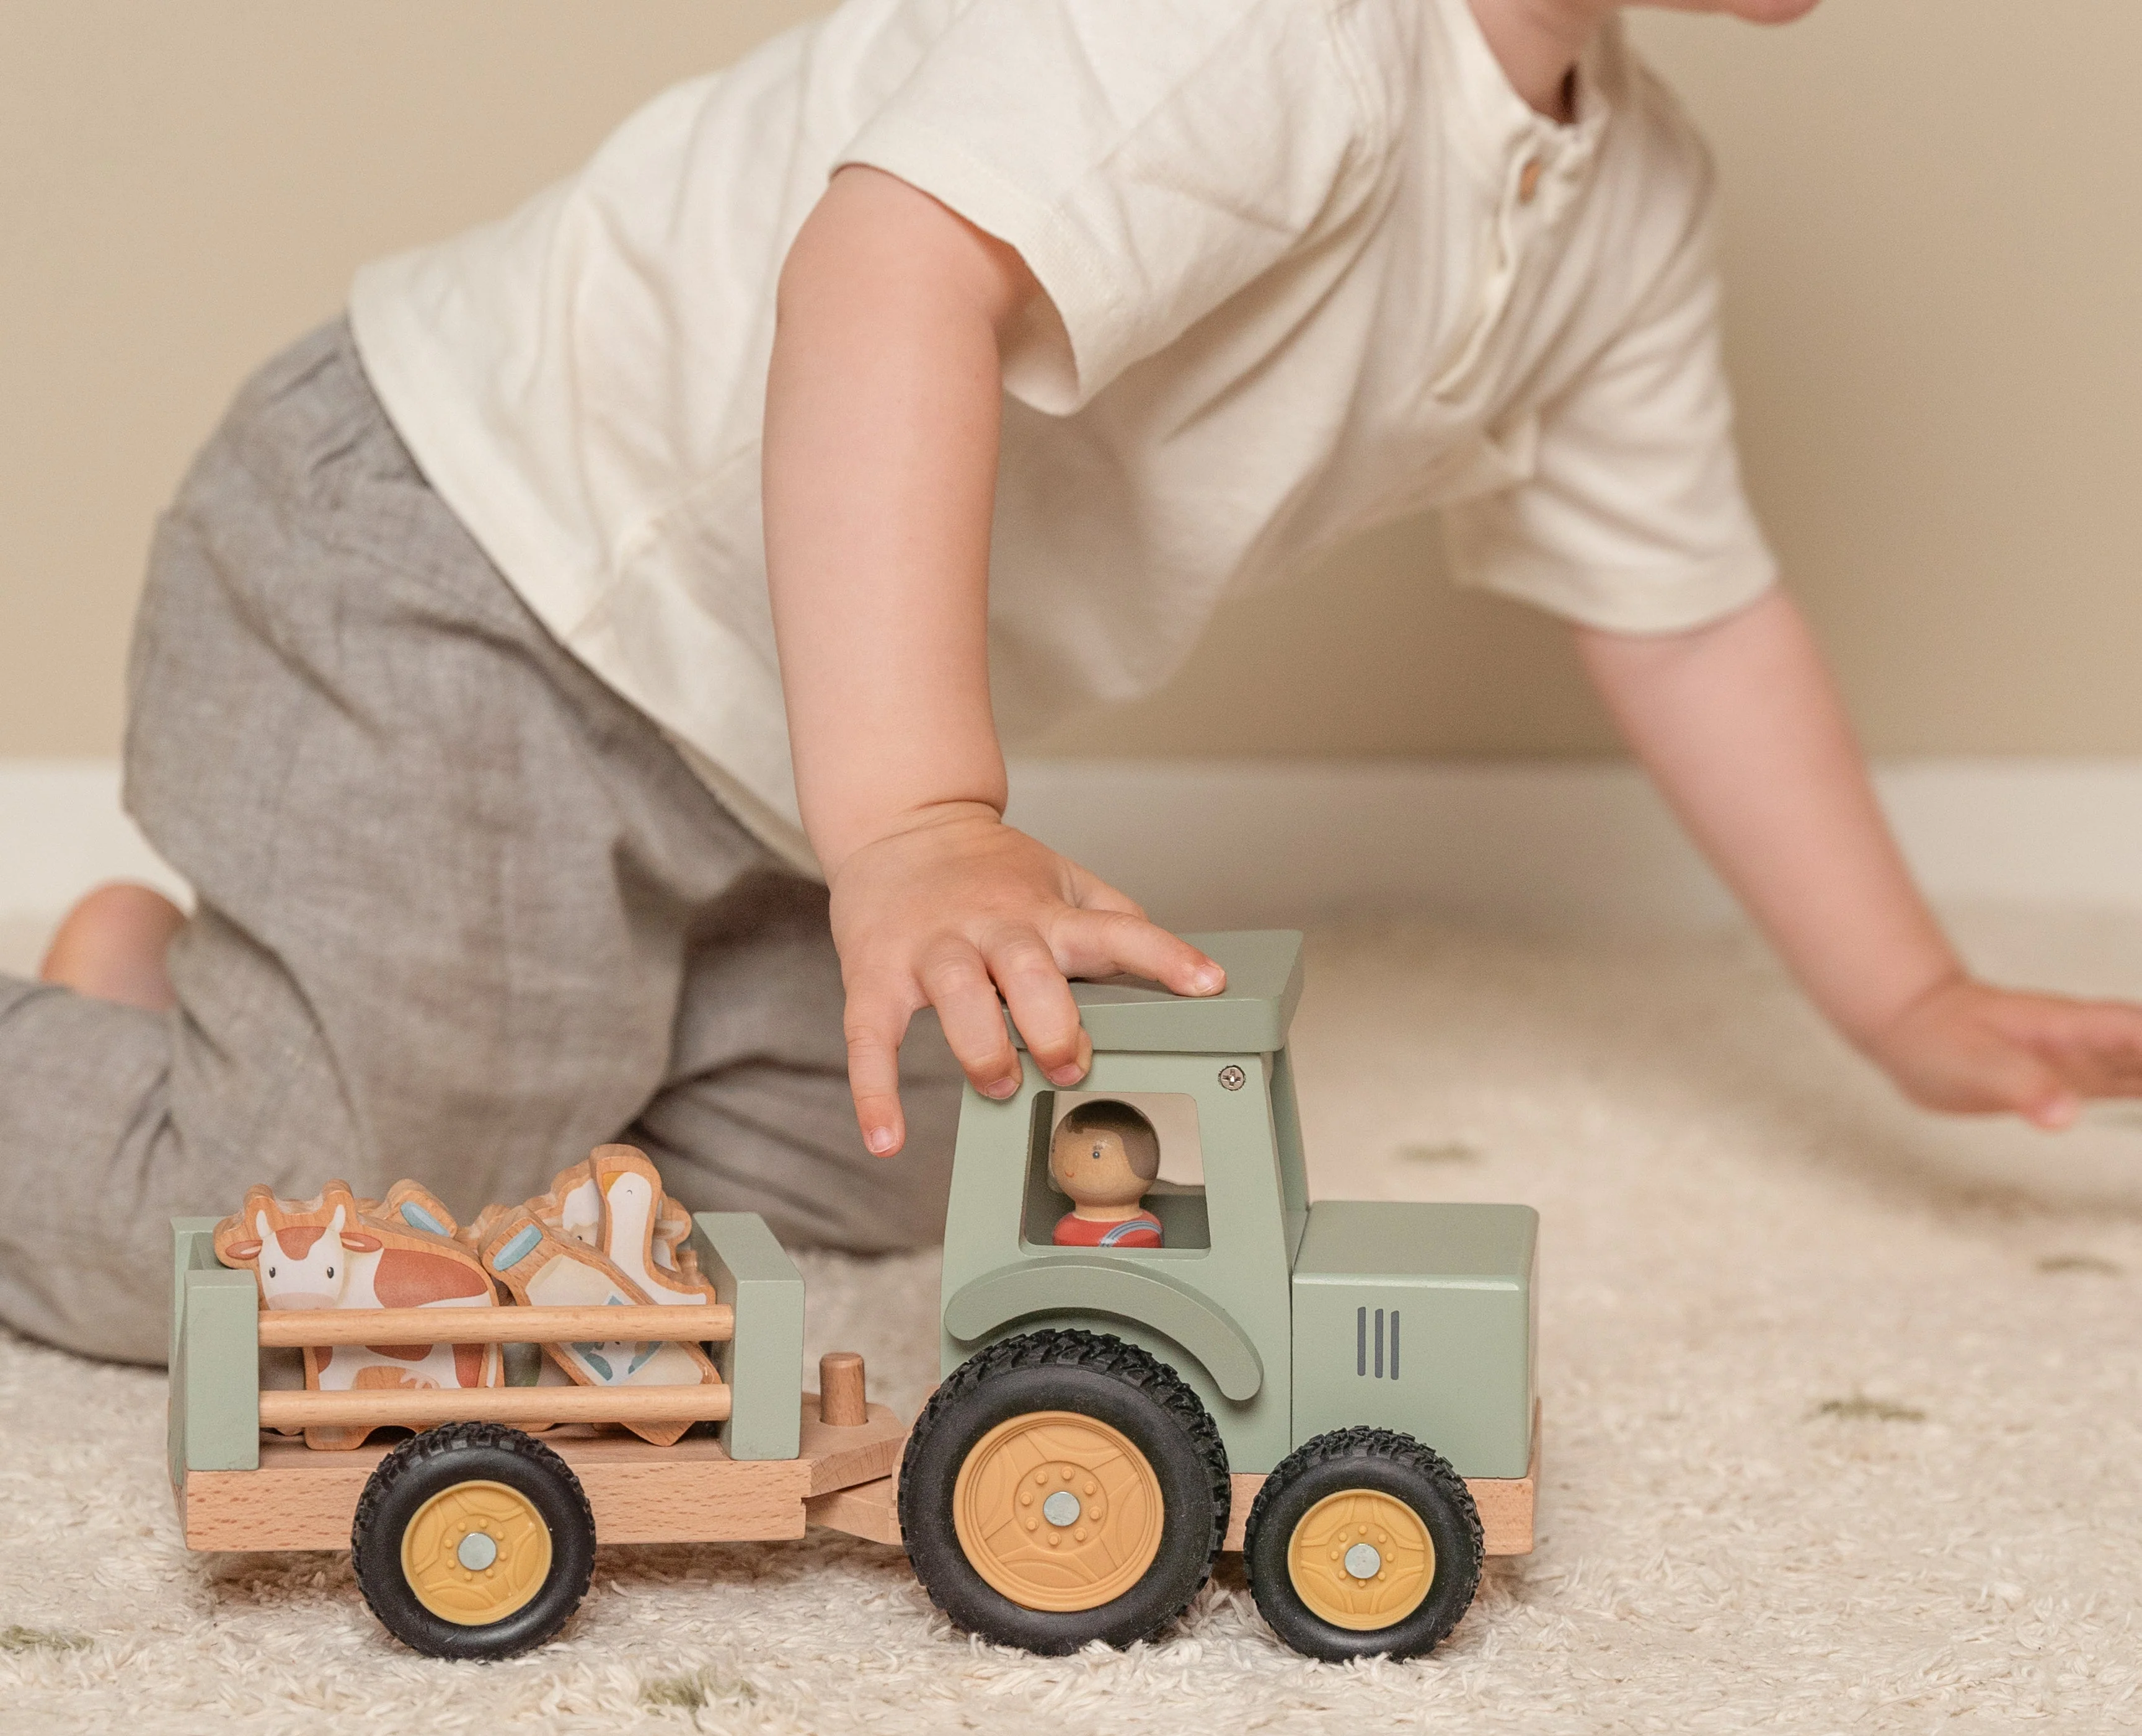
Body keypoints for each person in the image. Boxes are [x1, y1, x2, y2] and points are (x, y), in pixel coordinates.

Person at [11, 0, 2142, 1365]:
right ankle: (174, 1059)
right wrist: (924, 818)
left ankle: (328, 996)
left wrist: (1899, 996)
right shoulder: (1255, 26)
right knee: (310, 1260)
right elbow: (886, 267)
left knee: (994, 1166)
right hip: (474, 575)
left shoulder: (1629, 199)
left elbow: (1680, 603)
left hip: (757, 767)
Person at [1050, 1104, 1166, 1249]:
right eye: (1055, 1149)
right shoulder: (1065, 1229)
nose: (1069, 1166)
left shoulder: (1143, 1231)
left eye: (1096, 1155)